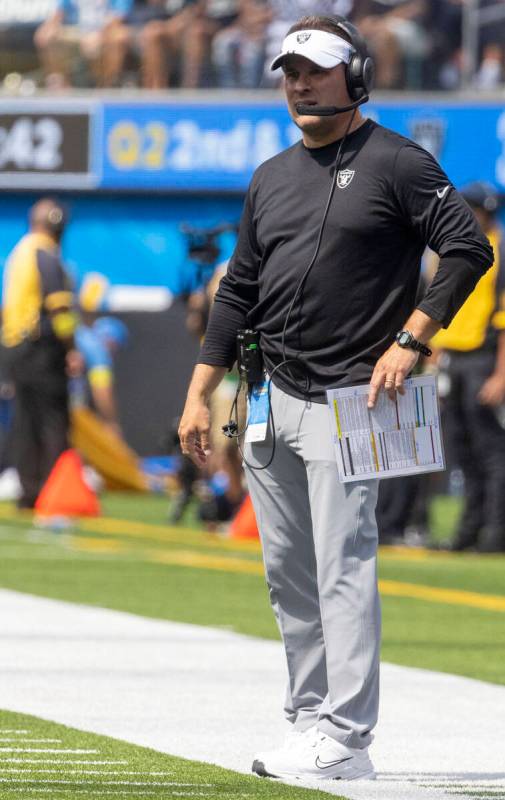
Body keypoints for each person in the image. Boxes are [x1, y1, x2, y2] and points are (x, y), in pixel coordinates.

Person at [178, 14, 493, 782]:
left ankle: (347, 737)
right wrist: (198, 393)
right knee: (286, 571)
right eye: (288, 70)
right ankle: (308, 719)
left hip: (351, 398)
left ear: (355, 74)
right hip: (267, 398)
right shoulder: (271, 176)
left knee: (342, 568)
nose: (298, 81)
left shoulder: (396, 162)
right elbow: (237, 291)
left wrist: (411, 338)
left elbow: (467, 247)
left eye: (314, 69)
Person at [430, 181, 505, 553]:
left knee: (490, 450)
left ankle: (494, 533)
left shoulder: (501, 249)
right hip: (452, 358)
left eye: (486, 212)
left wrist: (501, 375)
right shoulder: (452, 246)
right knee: (460, 449)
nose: (482, 217)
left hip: (483, 358)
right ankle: (467, 532)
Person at [1, 198, 82, 509]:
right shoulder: (45, 254)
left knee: (25, 421)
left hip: (15, 348)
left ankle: (29, 491)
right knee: (53, 421)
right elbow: (59, 307)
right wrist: (71, 348)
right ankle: (54, 491)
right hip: (41, 349)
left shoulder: (19, 252)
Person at [34, 0, 132, 88]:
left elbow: (117, 18)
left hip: (106, 32)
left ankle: (108, 85)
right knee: (48, 36)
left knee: (119, 37)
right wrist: (49, 27)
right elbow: (58, 12)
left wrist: (99, 35)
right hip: (76, 31)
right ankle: (59, 85)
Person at [74, 316, 129, 437]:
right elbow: (102, 390)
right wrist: (111, 423)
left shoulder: (79, 334)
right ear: (112, 343)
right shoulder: (98, 350)